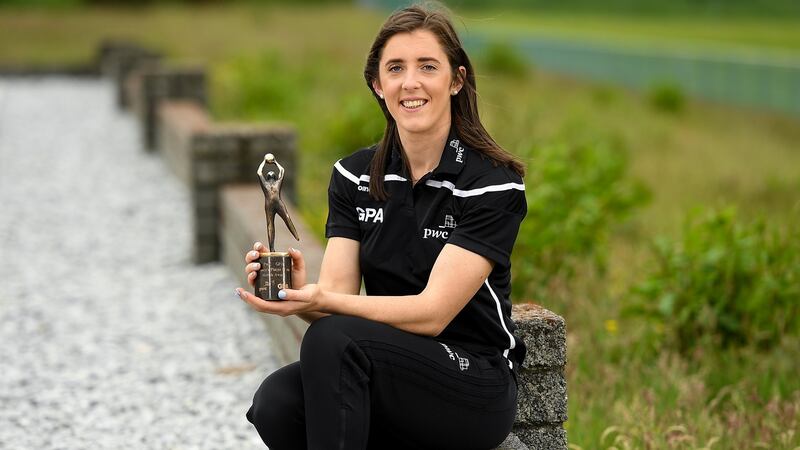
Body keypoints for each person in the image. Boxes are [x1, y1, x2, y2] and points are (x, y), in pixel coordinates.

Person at [235, 4, 527, 449]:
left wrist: (325, 302)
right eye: (396, 68)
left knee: (331, 340)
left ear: (456, 80)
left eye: (428, 66)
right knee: (278, 402)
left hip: (472, 380)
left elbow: (432, 314)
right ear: (378, 83)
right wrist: (299, 295)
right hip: (387, 367)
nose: (411, 82)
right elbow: (335, 299)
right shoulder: (353, 176)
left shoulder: (491, 182)